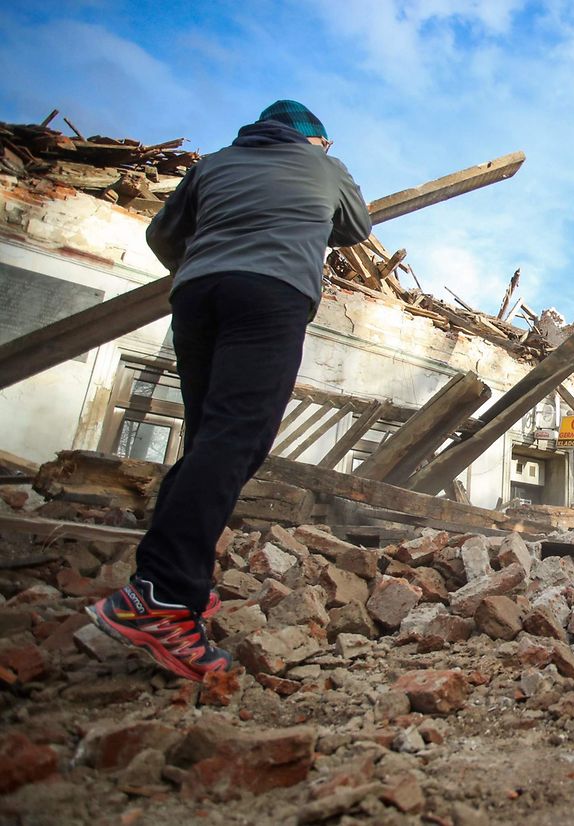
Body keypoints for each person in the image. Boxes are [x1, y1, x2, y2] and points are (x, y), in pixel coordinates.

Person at [86, 100, 371, 682]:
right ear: (316, 140)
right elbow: (356, 229)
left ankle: (173, 589)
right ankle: (161, 599)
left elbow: (162, 235)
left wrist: (207, 264)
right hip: (271, 297)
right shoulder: (326, 168)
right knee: (235, 442)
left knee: (206, 441)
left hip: (196, 297)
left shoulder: (213, 165)